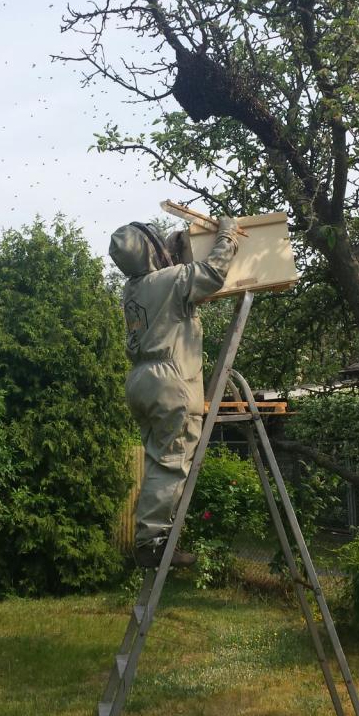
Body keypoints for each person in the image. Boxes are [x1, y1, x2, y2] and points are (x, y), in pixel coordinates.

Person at [109, 217, 239, 568]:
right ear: (150, 249)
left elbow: (174, 288)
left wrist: (175, 249)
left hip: (141, 381)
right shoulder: (170, 280)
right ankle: (151, 542)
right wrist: (227, 235)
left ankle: (154, 534)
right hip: (170, 381)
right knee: (172, 460)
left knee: (159, 461)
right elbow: (212, 273)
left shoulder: (133, 289)